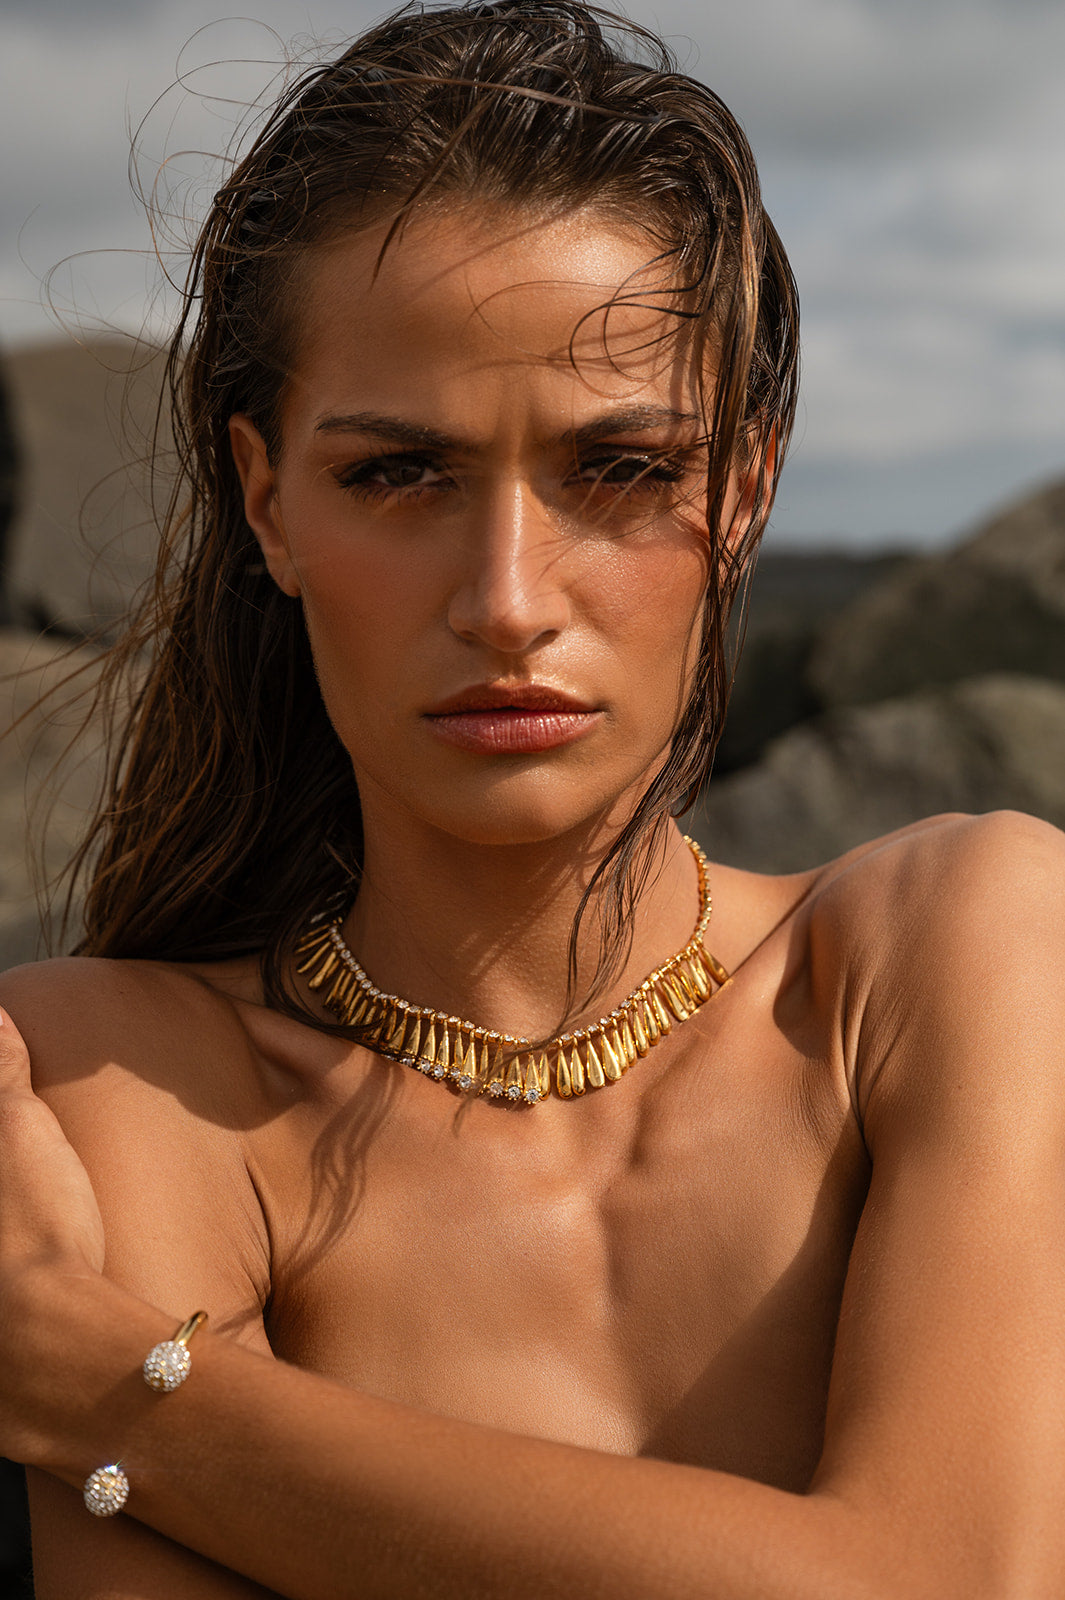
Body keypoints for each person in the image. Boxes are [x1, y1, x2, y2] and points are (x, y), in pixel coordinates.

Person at [1, 2, 1064, 1595]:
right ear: (263, 500)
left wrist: (123, 1398)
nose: (507, 599)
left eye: (619, 469)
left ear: (748, 490)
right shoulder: (117, 1074)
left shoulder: (950, 945)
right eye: (398, 474)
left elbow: (952, 1576)